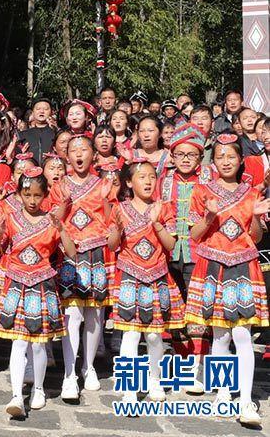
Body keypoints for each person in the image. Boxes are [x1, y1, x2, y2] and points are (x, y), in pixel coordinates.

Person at [185, 134, 270, 427]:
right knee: (219, 334)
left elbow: (256, 237)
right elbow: (194, 235)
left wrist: (257, 217)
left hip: (244, 265)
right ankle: (222, 392)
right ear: (213, 160)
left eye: (231, 156)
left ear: (240, 159)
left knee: (243, 334)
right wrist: (208, 216)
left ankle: (245, 400)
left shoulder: (251, 193)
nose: (225, 161)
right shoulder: (202, 191)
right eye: (220, 156)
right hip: (212, 265)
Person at [0, 167, 74, 418]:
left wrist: (61, 229)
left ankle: (38, 388)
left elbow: (71, 252)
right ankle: (16, 394)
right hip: (15, 284)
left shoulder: (51, 221)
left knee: (38, 344)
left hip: (42, 285)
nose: (32, 201)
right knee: (18, 342)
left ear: (46, 195)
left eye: (38, 196)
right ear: (20, 194)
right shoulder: (11, 219)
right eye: (27, 195)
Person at [108, 160, 183, 406]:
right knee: (130, 334)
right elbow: (112, 246)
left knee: (153, 336)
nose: (149, 181)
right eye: (142, 177)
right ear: (129, 183)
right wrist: (116, 231)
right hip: (130, 275)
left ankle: (155, 379)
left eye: (152, 176)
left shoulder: (164, 208)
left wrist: (157, 223)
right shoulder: (119, 209)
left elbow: (172, 245)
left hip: (156, 275)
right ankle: (130, 387)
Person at [49, 134, 114, 401]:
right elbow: (51, 220)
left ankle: (88, 367)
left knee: (95, 315)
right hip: (69, 254)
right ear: (66, 156)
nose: (78, 154)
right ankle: (69, 373)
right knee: (72, 315)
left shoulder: (104, 185)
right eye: (73, 149)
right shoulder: (59, 186)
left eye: (84, 149)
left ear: (93, 155)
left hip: (97, 253)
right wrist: (62, 208)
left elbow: (112, 220)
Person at [158, 123, 213, 394]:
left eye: (191, 155)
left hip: (198, 254)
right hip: (170, 253)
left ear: (200, 156)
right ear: (173, 156)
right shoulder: (164, 181)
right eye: (180, 155)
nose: (186, 160)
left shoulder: (208, 180)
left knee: (199, 310)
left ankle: (199, 365)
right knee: (174, 309)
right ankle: (181, 362)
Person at [19, 98, 56, 164]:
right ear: (33, 113)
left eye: (46, 109)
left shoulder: (57, 134)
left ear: (52, 112)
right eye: (38, 109)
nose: (41, 111)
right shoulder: (22, 135)